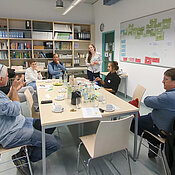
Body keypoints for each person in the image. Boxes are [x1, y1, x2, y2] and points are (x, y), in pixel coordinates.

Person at [0, 64, 60, 174]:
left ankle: (30, 147)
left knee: (51, 122)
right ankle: (23, 158)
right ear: (0, 79)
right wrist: (13, 89)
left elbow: (7, 104)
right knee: (55, 143)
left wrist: (14, 90)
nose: (8, 77)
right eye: (7, 76)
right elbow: (16, 109)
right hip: (12, 133)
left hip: (20, 123)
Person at [130, 68, 175, 158]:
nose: (163, 81)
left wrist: (158, 98)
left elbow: (147, 101)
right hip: (170, 129)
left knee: (132, 123)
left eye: (166, 79)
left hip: (159, 127)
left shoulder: (168, 97)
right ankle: (154, 143)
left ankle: (154, 141)